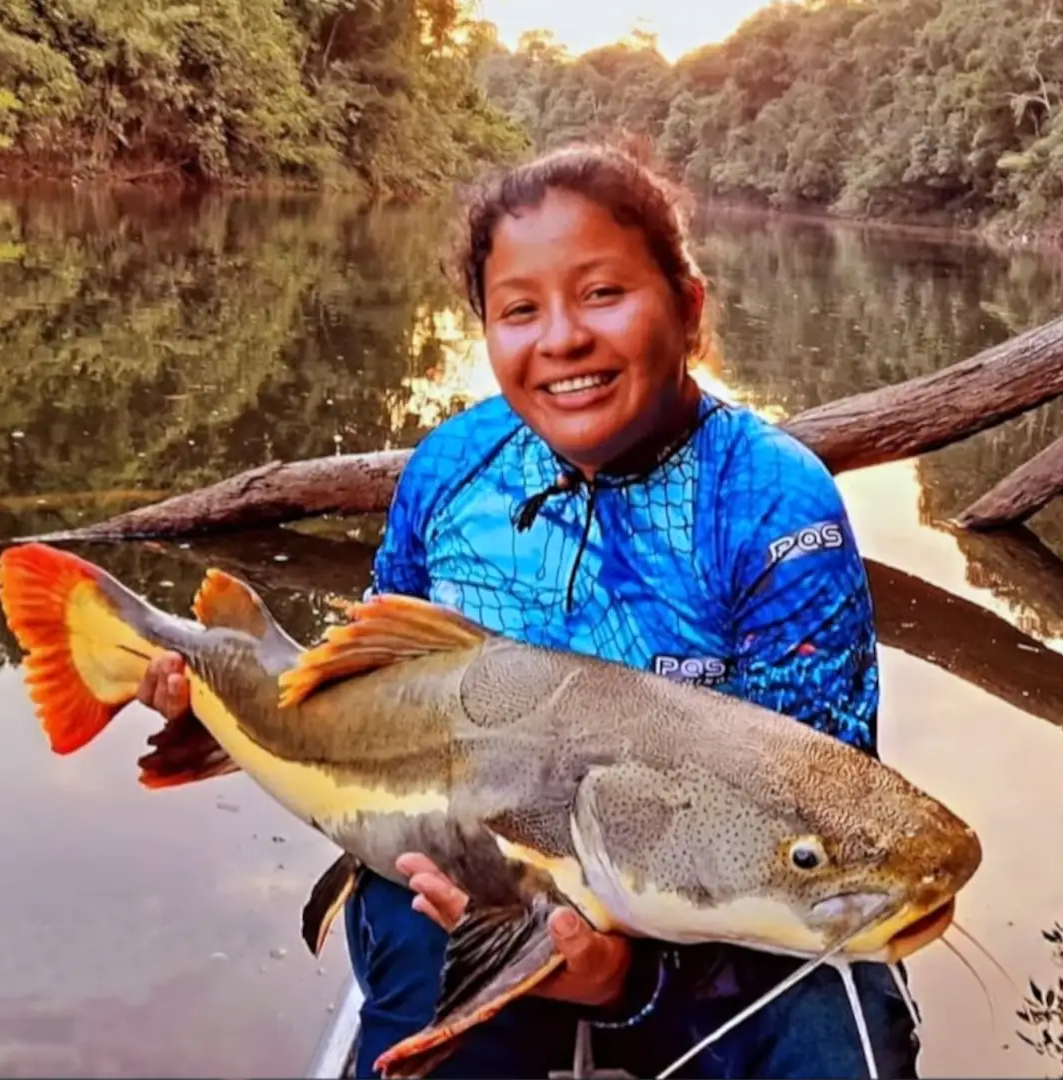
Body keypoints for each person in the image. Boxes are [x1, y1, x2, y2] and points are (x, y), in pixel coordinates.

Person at [136, 143, 918, 1079]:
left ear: (689, 305)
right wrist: (220, 706)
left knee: (838, 1032)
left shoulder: (776, 505)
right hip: (457, 879)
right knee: (419, 977)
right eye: (519, 310)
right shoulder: (448, 470)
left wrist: (623, 981)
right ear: (487, 331)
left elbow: (819, 799)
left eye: (602, 294)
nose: (561, 340)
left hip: (717, 932)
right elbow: (371, 673)